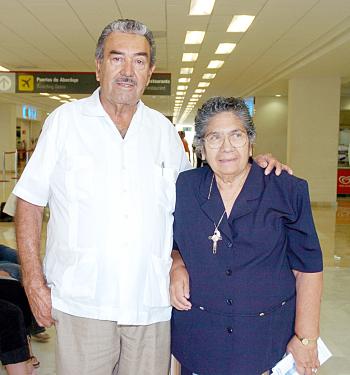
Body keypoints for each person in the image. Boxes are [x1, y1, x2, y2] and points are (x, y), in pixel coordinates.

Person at [13, 19, 289, 375]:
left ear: (151, 72)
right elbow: (30, 201)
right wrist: (33, 282)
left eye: (139, 61)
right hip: (83, 303)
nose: (128, 71)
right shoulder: (65, 122)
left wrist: (253, 165)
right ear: (98, 66)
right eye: (117, 59)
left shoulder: (162, 132)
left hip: (151, 306)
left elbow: (201, 195)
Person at [170, 97, 323, 375]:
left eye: (236, 135)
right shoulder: (184, 189)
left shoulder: (286, 190)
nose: (226, 148)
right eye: (214, 137)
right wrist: (176, 262)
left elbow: (308, 269)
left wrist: (306, 338)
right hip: (200, 340)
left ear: (251, 142)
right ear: (201, 148)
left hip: (267, 343)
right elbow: (169, 241)